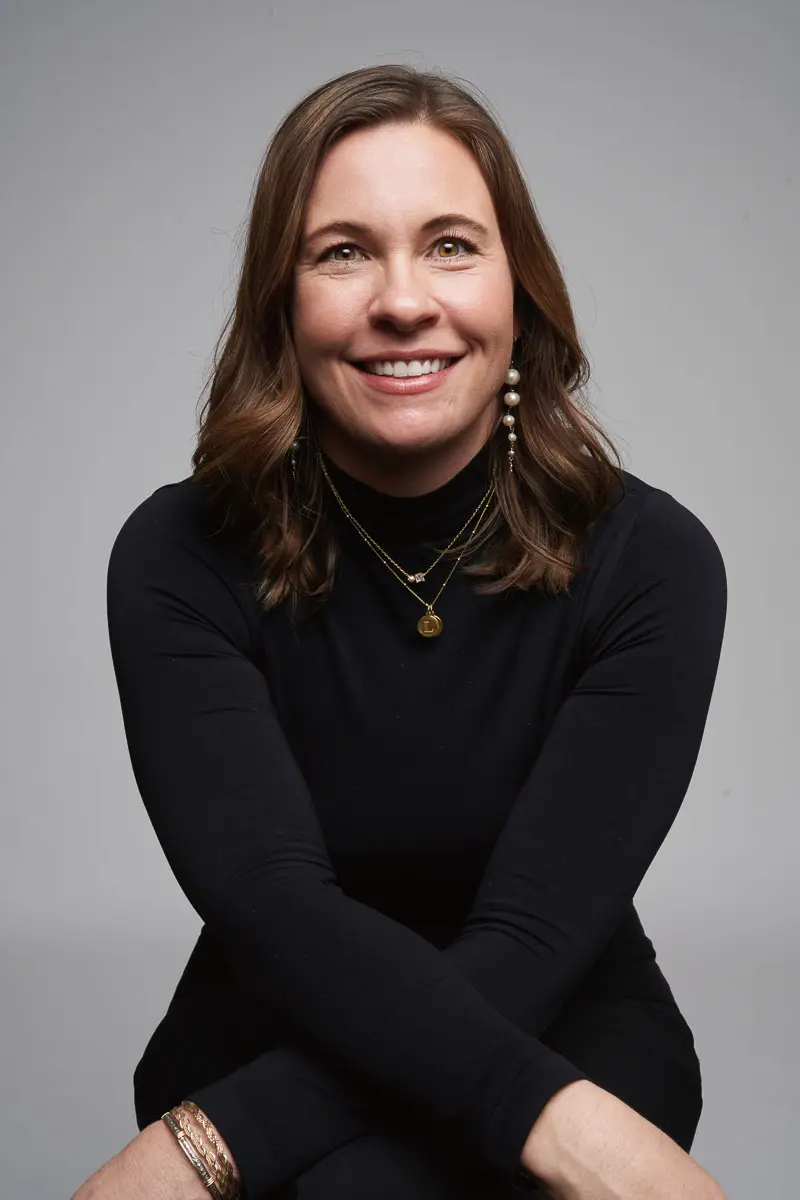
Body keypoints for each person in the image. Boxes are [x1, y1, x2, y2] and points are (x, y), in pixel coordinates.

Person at [71, 65, 729, 1200]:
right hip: (266, 1019)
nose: (402, 300)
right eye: (341, 251)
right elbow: (273, 905)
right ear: (281, 298)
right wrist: (568, 1135)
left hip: (565, 1014)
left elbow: (530, 937)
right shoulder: (177, 554)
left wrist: (202, 1148)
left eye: (450, 245)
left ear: (518, 285)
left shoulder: (652, 561)